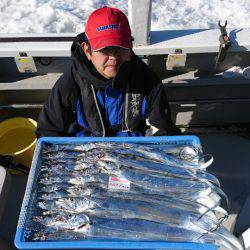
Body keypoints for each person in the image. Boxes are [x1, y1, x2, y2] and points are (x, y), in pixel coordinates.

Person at [36, 6, 180, 137]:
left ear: (130, 47)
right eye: (104, 49)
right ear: (87, 51)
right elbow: (48, 132)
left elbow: (163, 132)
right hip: (84, 153)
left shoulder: (148, 81)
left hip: (134, 152)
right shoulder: (70, 83)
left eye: (121, 47)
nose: (114, 56)